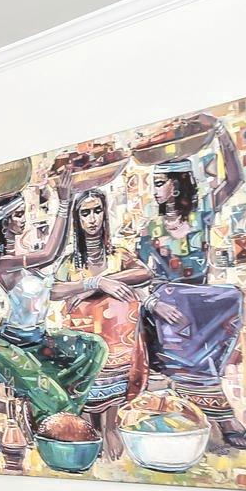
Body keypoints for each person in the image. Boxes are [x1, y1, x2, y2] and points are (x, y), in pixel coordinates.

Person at [132, 118, 246, 451]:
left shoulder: (201, 213)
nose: (155, 190)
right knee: (180, 324)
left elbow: (235, 178)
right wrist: (152, 303)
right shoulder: (148, 229)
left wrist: (222, 137)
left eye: (161, 183)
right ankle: (223, 416)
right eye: (154, 183)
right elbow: (138, 277)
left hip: (198, 304)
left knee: (230, 298)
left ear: (179, 183)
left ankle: (211, 410)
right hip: (165, 306)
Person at [0, 187, 106, 428]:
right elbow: (51, 254)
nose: (24, 219)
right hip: (11, 347)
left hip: (39, 340)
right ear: (5, 222)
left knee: (95, 348)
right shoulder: (5, 263)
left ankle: (48, 409)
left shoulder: (25, 257)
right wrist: (64, 203)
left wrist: (94, 282)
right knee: (59, 405)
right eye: (19, 214)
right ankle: (12, 408)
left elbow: (50, 291)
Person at [49, 188, 148, 457]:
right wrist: (96, 282)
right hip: (82, 338)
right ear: (77, 220)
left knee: (117, 324)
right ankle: (93, 426)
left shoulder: (118, 254)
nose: (92, 219)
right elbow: (53, 290)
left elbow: (145, 273)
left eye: (97, 211)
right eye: (85, 213)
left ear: (105, 214)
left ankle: (111, 426)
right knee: (88, 354)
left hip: (117, 341)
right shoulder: (70, 262)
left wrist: (103, 284)